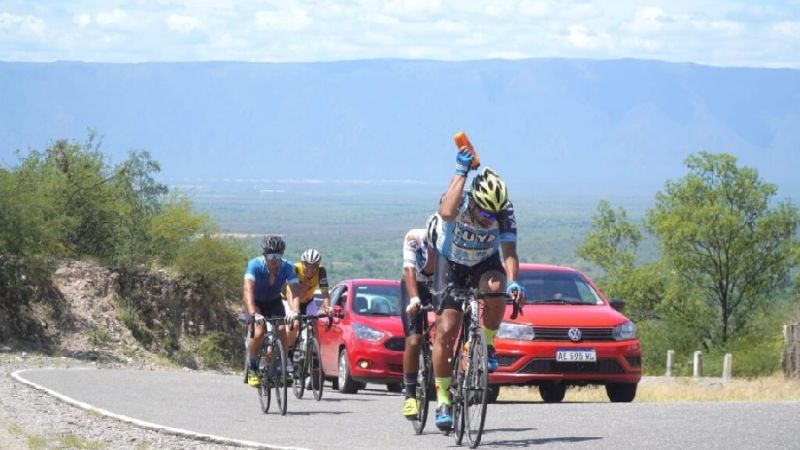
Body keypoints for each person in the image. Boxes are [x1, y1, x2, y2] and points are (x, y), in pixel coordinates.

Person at [427, 148, 526, 430]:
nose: (488, 218)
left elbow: (509, 252)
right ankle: (443, 399)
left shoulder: (503, 211)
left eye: (492, 214)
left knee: (497, 286)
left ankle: (488, 343)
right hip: (451, 262)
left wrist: (514, 281)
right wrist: (461, 170)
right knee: (447, 329)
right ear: (473, 200)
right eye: (483, 211)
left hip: (483, 262)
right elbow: (446, 212)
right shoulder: (459, 198)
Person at [243, 235, 303, 388]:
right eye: (270, 256)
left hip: (274, 302)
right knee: (259, 333)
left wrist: (295, 311)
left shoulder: (287, 267)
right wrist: (253, 313)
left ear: (281, 255)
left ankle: (282, 364)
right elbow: (248, 289)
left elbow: (295, 290)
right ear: (265, 255)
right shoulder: (255, 265)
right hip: (256, 302)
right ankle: (253, 367)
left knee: (282, 329)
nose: (274, 259)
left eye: (277, 255)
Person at [398, 224, 436, 420]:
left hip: (439, 286)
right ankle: (410, 395)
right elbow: (409, 269)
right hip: (414, 285)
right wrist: (414, 299)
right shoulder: (414, 237)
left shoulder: (451, 242)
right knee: (414, 341)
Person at [284, 248, 331, 356]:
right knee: (294, 324)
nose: (311, 269)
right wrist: (294, 311)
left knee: (315, 325)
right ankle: (288, 352)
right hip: (290, 299)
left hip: (308, 301)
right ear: (302, 263)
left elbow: (325, 293)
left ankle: (316, 356)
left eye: (314, 266)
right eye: (307, 265)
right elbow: (292, 294)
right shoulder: (295, 269)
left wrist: (328, 308)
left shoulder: (321, 271)